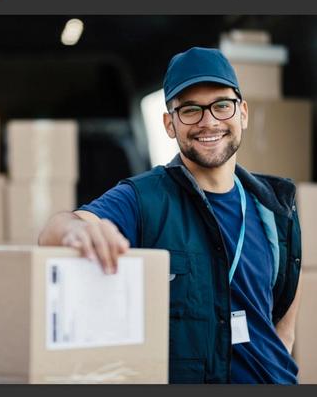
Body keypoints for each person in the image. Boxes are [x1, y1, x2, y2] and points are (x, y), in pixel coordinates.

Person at [38, 46, 302, 384]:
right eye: (191, 110)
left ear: (243, 114)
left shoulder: (277, 207)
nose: (209, 121)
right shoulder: (143, 198)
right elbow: (55, 230)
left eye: (222, 105)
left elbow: (283, 329)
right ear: (169, 124)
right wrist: (74, 232)